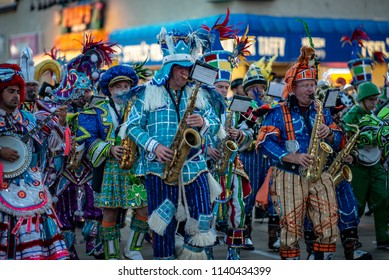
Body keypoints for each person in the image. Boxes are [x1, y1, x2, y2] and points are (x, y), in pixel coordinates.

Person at [126, 27, 221, 260]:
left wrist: (204, 122)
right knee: (163, 225)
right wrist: (154, 146)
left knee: (202, 219)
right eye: (180, 69)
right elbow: (131, 126)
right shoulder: (147, 92)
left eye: (188, 69)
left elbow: (217, 123)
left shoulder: (199, 93)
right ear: (169, 69)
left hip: (194, 166)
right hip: (159, 168)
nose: (185, 74)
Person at [257, 46, 341, 260]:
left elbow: (339, 139)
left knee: (329, 222)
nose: (310, 89)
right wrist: (290, 156)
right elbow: (264, 143)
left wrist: (329, 134)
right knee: (291, 227)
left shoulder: (322, 110)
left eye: (312, 84)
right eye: (305, 85)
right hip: (289, 175)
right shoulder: (277, 111)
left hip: (320, 173)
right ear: (292, 87)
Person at [77, 64, 147, 260]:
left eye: (127, 86)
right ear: (109, 89)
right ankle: (112, 256)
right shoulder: (97, 110)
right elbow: (87, 138)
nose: (123, 90)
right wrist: (109, 149)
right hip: (108, 168)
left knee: (144, 209)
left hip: (134, 168)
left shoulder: (139, 110)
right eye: (118, 86)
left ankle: (132, 250)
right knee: (109, 214)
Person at [0, 63, 69, 260]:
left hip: (30, 185)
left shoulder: (28, 118)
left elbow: (51, 145)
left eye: (17, 91)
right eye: (10, 91)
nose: (15, 95)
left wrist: (61, 123)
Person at [201, 13, 253, 260]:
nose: (223, 91)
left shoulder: (235, 107)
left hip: (232, 166)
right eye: (219, 87)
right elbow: (185, 136)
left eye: (225, 87)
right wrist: (204, 147)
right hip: (206, 168)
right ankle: (207, 251)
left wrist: (239, 134)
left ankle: (234, 253)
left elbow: (251, 134)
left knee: (238, 212)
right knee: (206, 212)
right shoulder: (197, 107)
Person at [342, 81, 389, 249]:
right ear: (362, 100)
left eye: (376, 99)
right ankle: (350, 236)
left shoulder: (375, 114)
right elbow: (343, 135)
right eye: (371, 100)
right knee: (358, 203)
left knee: (383, 197)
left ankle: (383, 237)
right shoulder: (351, 115)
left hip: (375, 163)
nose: (374, 102)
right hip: (358, 165)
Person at [19, 46, 39, 112]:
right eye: (28, 85)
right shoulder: (16, 106)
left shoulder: (42, 103)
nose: (31, 88)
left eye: (33, 85)